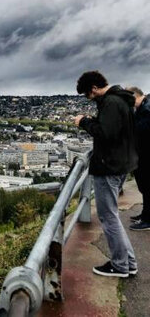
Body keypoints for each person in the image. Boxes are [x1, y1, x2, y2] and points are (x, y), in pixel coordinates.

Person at [74, 70, 138, 277]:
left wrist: (84, 122)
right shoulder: (122, 100)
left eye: (88, 95)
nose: (89, 99)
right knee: (113, 217)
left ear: (94, 88)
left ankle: (120, 265)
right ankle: (128, 262)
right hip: (120, 164)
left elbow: (105, 134)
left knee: (108, 217)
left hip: (109, 166)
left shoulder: (111, 103)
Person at [126, 86, 150, 230]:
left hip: (146, 157)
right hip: (143, 156)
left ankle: (148, 220)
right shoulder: (142, 108)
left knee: (148, 188)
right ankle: (145, 214)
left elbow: (140, 132)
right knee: (145, 188)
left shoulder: (146, 111)